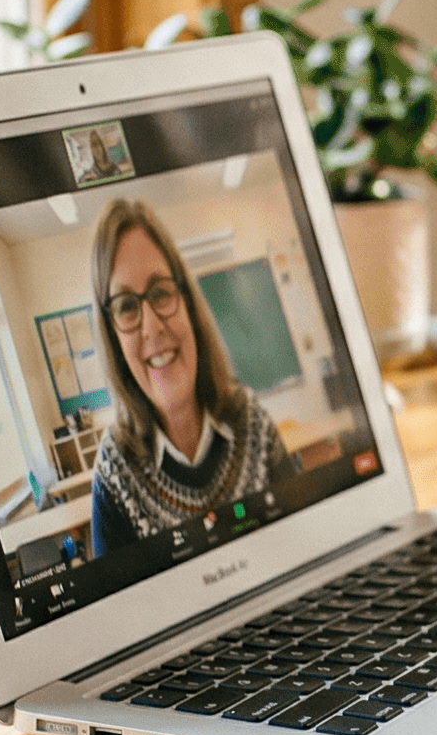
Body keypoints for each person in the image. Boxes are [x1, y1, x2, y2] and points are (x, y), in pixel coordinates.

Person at [87, 197, 296, 556]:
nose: (151, 327)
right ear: (112, 336)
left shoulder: (251, 420)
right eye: (125, 306)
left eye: (161, 292)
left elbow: (304, 541)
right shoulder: (113, 470)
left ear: (187, 300)